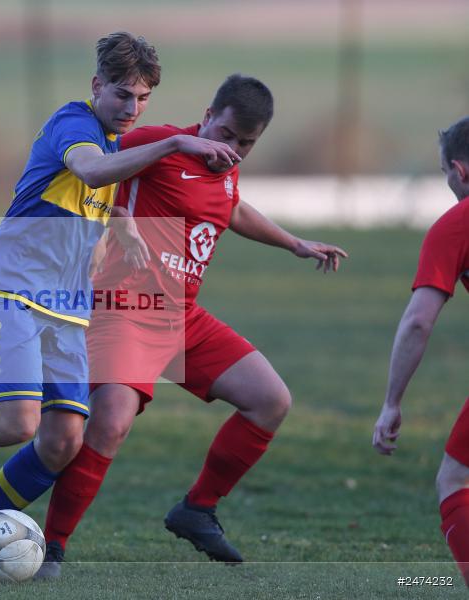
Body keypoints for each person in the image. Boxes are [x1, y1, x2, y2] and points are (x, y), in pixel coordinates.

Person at [0, 33, 242, 563]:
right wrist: (175, 143)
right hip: (11, 292)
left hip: (66, 309)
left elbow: (93, 194)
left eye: (143, 98)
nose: (132, 108)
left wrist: (121, 224)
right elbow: (88, 171)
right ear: (96, 85)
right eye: (122, 94)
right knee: (17, 423)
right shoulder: (75, 125)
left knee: (62, 441)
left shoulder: (109, 140)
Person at [34, 74, 349, 578]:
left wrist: (294, 243)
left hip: (182, 317)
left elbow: (233, 208)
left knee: (271, 400)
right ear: (207, 114)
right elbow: (90, 175)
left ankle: (197, 509)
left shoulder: (226, 167)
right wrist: (113, 222)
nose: (234, 149)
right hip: (125, 309)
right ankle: (51, 547)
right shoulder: (158, 143)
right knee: (110, 423)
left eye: (247, 143)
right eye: (226, 134)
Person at [373, 116, 469, 586]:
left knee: (455, 480)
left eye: (445, 175)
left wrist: (392, 402)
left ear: (459, 171)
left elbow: (418, 321)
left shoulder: (455, 225)